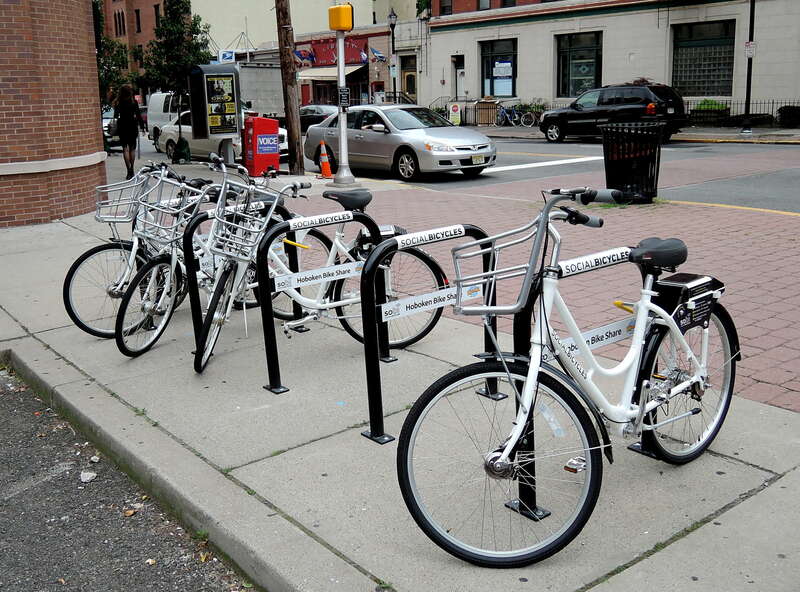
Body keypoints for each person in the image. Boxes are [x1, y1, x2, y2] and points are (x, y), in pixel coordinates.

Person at [113, 85, 146, 179]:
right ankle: (132, 169)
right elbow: (139, 116)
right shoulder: (133, 102)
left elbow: (116, 116)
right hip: (132, 126)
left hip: (122, 126)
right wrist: (142, 128)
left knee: (125, 148)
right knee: (132, 148)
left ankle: (129, 170)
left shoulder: (118, 102)